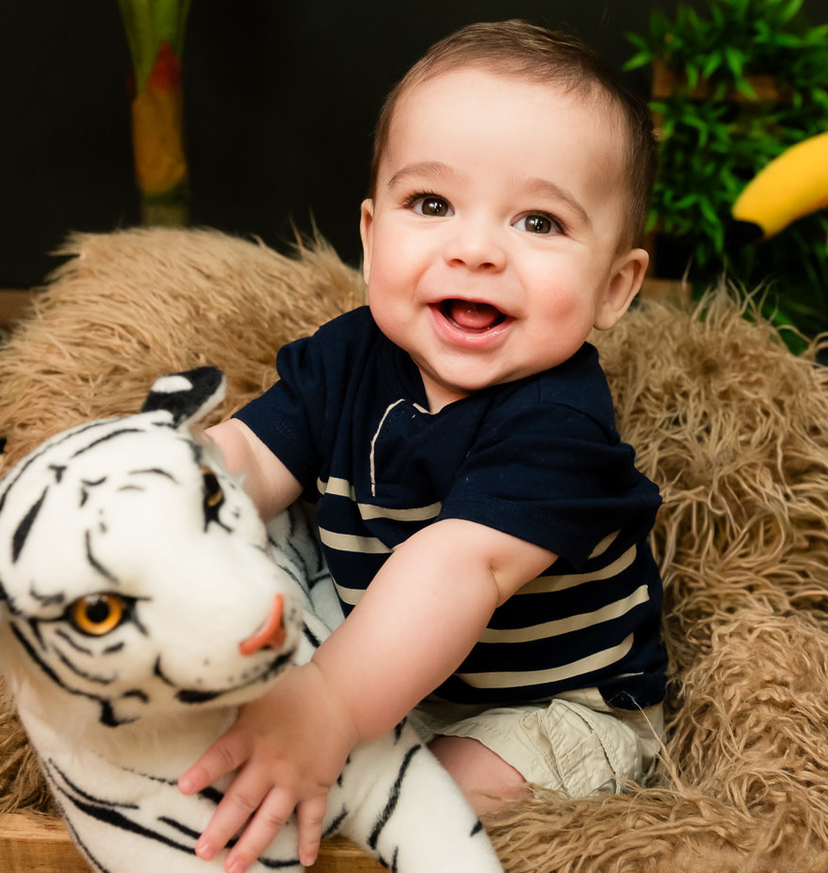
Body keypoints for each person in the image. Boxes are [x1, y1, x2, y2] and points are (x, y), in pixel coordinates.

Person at [178, 19, 667, 873]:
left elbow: (456, 569)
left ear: (614, 286)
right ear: (371, 237)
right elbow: (252, 457)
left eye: (539, 221)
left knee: (418, 798)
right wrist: (166, 489)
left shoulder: (559, 423)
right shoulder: (346, 356)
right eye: (432, 205)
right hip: (381, 662)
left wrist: (329, 706)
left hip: (548, 702)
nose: (474, 250)